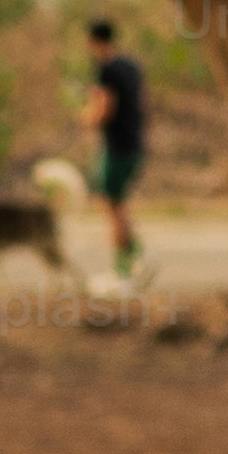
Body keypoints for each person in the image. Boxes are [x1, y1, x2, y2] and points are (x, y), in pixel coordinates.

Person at [82, 15, 152, 278]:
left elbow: (104, 108)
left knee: (111, 205)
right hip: (134, 142)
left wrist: (87, 118)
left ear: (93, 41)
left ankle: (124, 267)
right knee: (118, 203)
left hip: (115, 145)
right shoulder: (131, 66)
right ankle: (135, 257)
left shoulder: (106, 69)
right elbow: (143, 102)